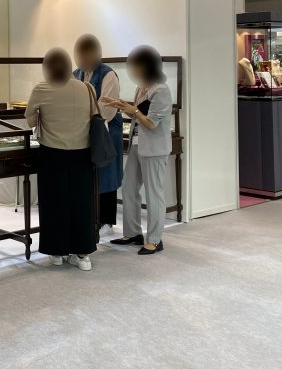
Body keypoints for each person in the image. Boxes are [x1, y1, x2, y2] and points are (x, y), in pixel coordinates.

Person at [25, 48, 98, 271]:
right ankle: (83, 254)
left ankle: (56, 251)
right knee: (81, 203)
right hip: (82, 154)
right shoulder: (86, 88)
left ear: (47, 68)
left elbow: (30, 120)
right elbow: (93, 115)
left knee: (54, 203)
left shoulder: (42, 88)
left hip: (52, 154)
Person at [105, 46, 172, 255]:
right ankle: (133, 233)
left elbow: (151, 123)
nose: (133, 70)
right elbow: (137, 114)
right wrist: (122, 106)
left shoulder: (161, 90)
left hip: (154, 148)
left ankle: (155, 240)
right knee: (128, 188)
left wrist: (132, 110)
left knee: (153, 193)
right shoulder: (142, 87)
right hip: (136, 144)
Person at [73, 34, 123, 237]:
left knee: (107, 173)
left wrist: (85, 114)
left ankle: (106, 220)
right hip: (84, 131)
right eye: (81, 55)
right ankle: (91, 217)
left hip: (106, 131)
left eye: (88, 55)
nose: (84, 59)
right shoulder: (75, 74)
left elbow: (107, 108)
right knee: (89, 176)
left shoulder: (108, 74)